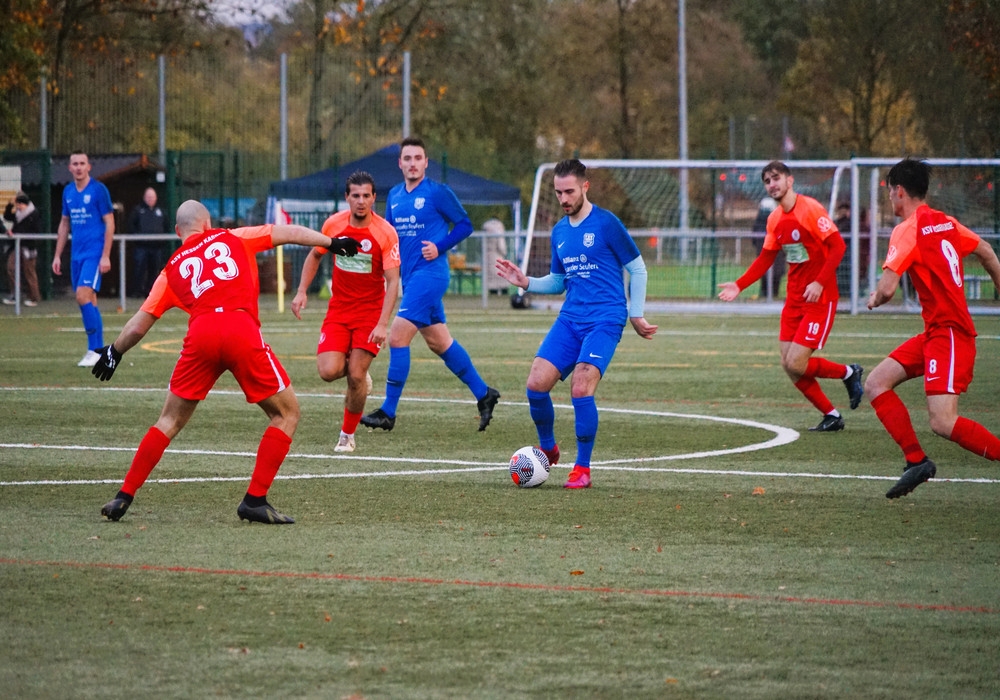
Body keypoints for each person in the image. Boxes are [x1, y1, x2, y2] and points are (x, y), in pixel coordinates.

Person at [91, 199, 360, 524]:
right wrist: (331, 242)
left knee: (168, 421)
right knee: (286, 413)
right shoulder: (234, 236)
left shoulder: (171, 269)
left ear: (178, 231)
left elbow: (138, 325)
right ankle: (255, 499)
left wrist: (115, 351)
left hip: (201, 335)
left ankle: (124, 495)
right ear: (207, 224)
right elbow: (289, 232)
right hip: (239, 329)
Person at [495, 158, 658, 488]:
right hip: (571, 318)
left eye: (569, 191)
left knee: (581, 386)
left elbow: (637, 268)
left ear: (585, 186)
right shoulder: (559, 231)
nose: (564, 199)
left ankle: (582, 468)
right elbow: (559, 281)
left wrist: (636, 313)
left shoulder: (607, 223)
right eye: (558, 193)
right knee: (535, 384)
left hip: (605, 318)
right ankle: (548, 448)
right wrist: (526, 282)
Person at [866, 158, 1000, 499]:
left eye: (889, 193)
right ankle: (916, 461)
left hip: (950, 334)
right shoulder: (946, 222)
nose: (889, 199)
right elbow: (986, 252)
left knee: (943, 421)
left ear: (899, 191)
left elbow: (887, 289)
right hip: (936, 333)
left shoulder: (907, 229)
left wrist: (874, 298)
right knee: (877, 383)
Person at [360, 136, 500, 432]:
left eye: (417, 158)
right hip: (412, 278)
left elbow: (465, 224)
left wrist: (440, 246)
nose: (412, 163)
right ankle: (484, 393)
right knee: (439, 342)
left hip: (431, 274)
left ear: (426, 162)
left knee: (398, 337)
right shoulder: (395, 195)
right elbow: (389, 237)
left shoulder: (437, 192)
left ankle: (388, 412)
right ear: (400, 163)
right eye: (407, 158)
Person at [718, 161, 864, 432]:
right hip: (794, 300)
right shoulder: (774, 219)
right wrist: (739, 285)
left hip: (820, 299)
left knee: (796, 362)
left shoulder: (810, 209)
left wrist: (819, 282)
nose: (772, 184)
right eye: (767, 181)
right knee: (789, 365)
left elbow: (838, 246)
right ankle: (832, 415)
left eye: (776, 178)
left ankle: (848, 372)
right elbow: (765, 258)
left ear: (790, 180)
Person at [291, 171, 401, 453]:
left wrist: (383, 324)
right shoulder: (333, 224)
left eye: (366, 196)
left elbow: (392, 282)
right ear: (347, 198)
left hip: (370, 314)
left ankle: (346, 436)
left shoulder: (385, 233)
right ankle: (360, 377)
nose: (361, 201)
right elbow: (315, 255)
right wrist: (302, 291)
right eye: (355, 196)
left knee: (355, 374)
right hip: (339, 310)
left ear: (374, 198)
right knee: (328, 371)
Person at [52, 150, 115, 367]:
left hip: (94, 253)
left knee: (82, 295)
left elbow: (110, 222)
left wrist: (105, 255)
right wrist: (57, 255)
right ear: (70, 168)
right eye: (75, 164)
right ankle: (99, 350)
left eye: (82, 163)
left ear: (89, 167)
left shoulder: (98, 190)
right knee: (89, 300)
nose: (79, 167)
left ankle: (93, 350)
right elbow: (64, 224)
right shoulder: (68, 191)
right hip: (76, 255)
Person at [127, 187, 168, 297]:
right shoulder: (138, 210)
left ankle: (152, 292)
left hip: (157, 247)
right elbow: (131, 225)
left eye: (152, 197)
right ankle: (137, 292)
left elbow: (166, 226)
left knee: (155, 270)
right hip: (141, 247)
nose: (150, 199)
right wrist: (138, 237)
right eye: (148, 197)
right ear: (144, 198)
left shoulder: (161, 211)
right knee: (139, 269)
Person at [3, 192, 43, 307]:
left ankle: (34, 297)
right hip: (16, 245)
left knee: (29, 272)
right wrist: (9, 205)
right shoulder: (18, 213)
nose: (18, 207)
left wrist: (17, 233)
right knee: (11, 268)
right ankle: (15, 295)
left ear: (23, 204)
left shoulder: (34, 214)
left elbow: (36, 231)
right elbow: (7, 216)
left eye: (18, 204)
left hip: (28, 247)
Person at [751, 196, 783, 299]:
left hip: (766, 259)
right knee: (774, 278)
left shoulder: (758, 224)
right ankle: (771, 296)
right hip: (776, 259)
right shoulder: (778, 221)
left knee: (766, 277)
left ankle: (765, 295)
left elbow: (754, 241)